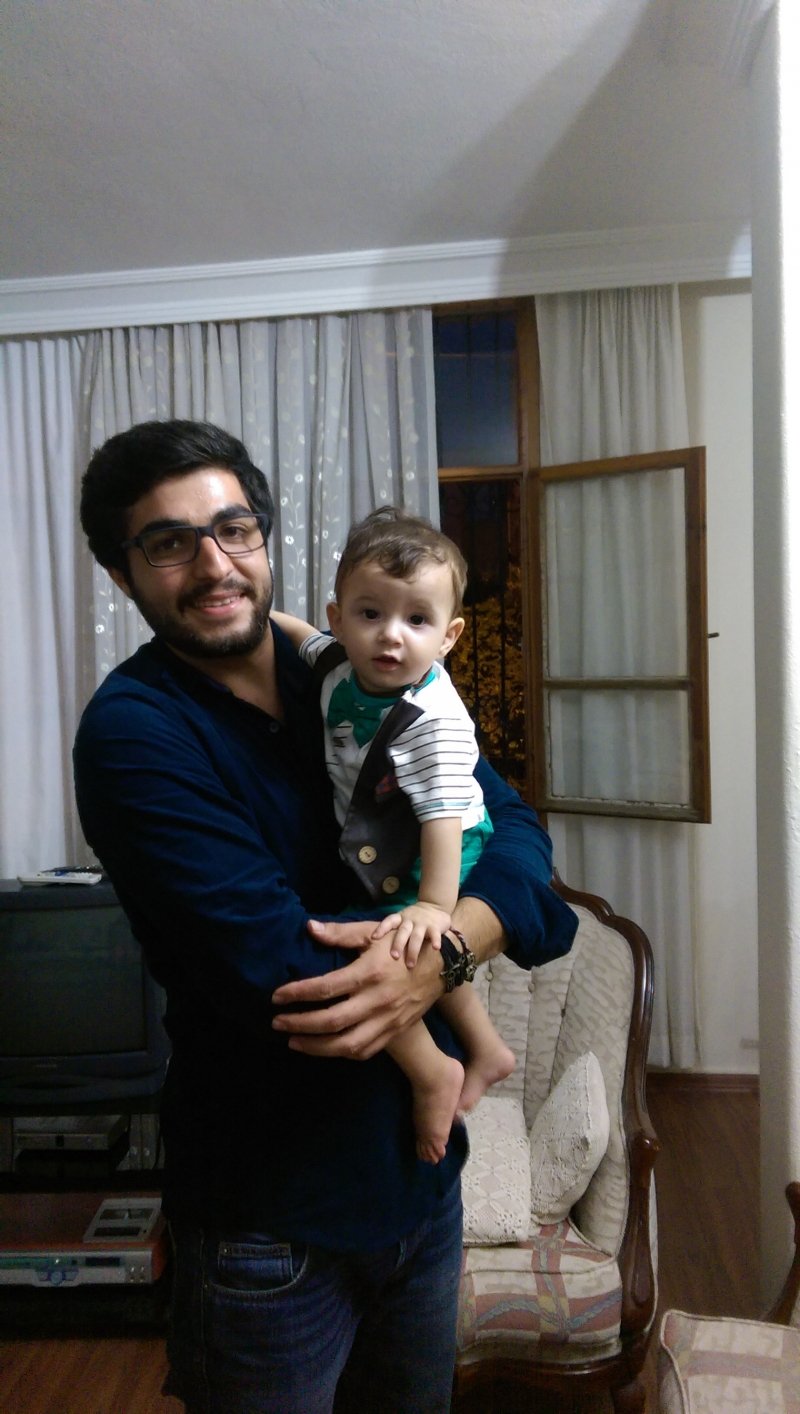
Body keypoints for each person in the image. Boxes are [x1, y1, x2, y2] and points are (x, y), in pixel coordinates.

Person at [73, 419, 577, 1414]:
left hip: (420, 1188)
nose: (215, 563)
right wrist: (456, 940)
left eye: (234, 528)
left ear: (265, 536)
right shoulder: (135, 734)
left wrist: (444, 942)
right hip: (271, 1222)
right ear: (120, 572)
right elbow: (287, 971)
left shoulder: (354, 667)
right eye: (170, 542)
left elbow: (513, 838)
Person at [271, 507, 515, 1165]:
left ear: (449, 636)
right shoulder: (340, 666)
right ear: (339, 618)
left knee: (381, 945)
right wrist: (263, 617)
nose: (390, 636)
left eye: (417, 620)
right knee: (398, 936)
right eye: (370, 613)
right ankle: (488, 1047)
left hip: (443, 842)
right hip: (401, 834)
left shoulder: (433, 721)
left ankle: (433, 1071)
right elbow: (302, 639)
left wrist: (433, 907)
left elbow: (441, 819)